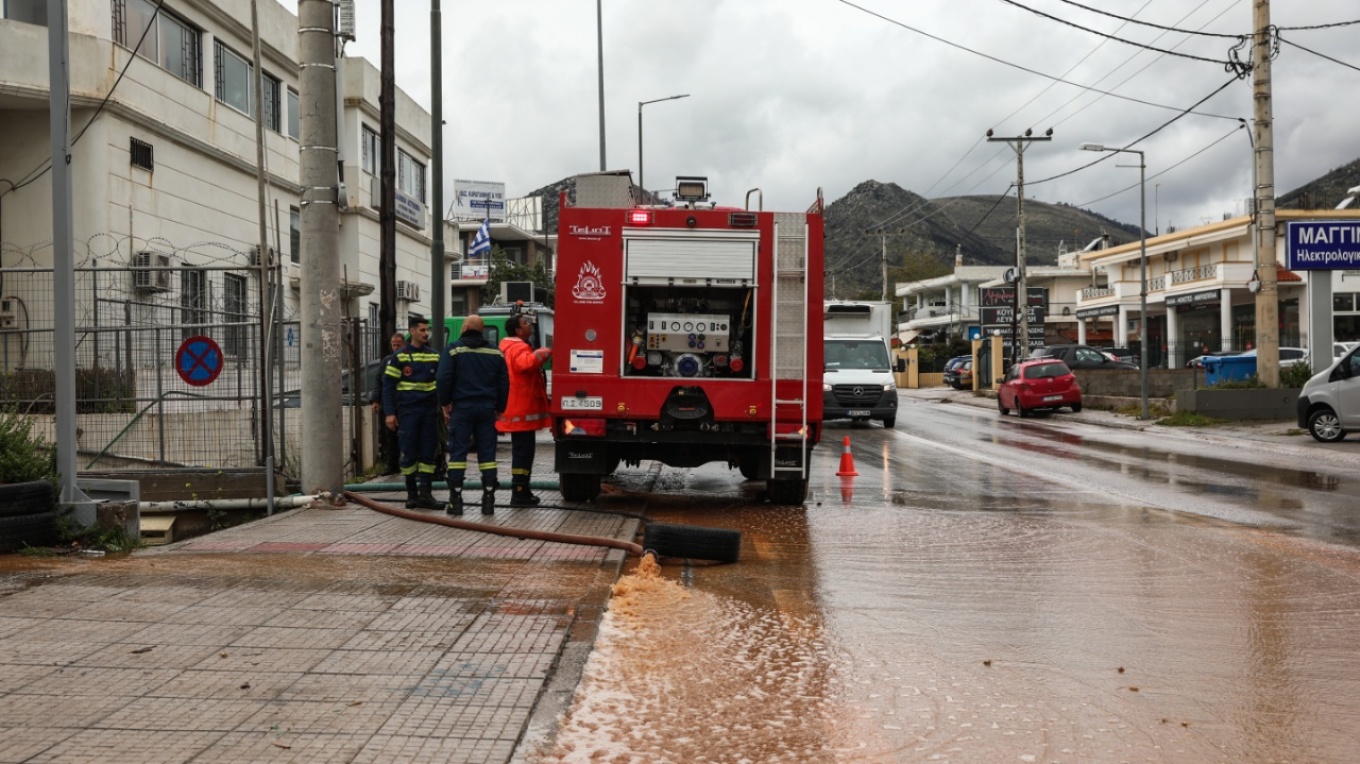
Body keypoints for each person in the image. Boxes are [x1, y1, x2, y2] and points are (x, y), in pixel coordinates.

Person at [437, 315, 509, 516]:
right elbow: (504, 382)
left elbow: (443, 378)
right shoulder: (495, 352)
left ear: (466, 327)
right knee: (487, 455)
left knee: (458, 453)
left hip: (462, 408)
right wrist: (499, 407)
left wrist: (445, 404)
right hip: (487, 409)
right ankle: (488, 500)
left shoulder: (453, 349)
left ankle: (456, 500)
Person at [382, 315, 441, 510]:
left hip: (429, 411)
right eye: (422, 330)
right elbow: (388, 386)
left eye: (427, 330)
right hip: (408, 412)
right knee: (409, 452)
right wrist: (390, 413)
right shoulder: (399, 357)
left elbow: (441, 383)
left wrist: (447, 406)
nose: (426, 333)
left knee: (428, 452)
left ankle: (426, 494)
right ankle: (412, 495)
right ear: (412, 331)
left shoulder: (434, 355)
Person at [497, 310, 552, 506]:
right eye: (525, 323)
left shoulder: (505, 347)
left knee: (522, 451)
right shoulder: (519, 348)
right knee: (523, 453)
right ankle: (519, 492)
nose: (529, 324)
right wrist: (546, 351)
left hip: (514, 409)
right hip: (521, 410)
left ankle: (522, 489)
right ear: (519, 330)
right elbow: (526, 364)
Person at [370, 331, 405, 475]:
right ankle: (392, 465)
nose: (395, 347)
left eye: (398, 345)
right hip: (390, 404)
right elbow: (379, 381)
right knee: (391, 438)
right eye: (393, 345)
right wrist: (375, 400)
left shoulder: (407, 359)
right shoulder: (387, 361)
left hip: (404, 404)